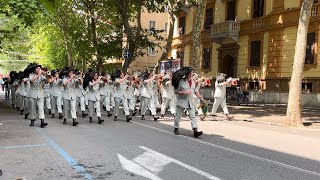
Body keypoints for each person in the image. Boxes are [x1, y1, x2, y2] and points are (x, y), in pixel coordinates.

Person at [172, 67, 205, 138]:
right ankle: (176, 128)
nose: (191, 74)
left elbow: (196, 91)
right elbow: (175, 91)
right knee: (178, 116)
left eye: (192, 73)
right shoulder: (181, 81)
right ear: (187, 74)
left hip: (190, 102)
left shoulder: (193, 82)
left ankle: (195, 131)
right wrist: (184, 92)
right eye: (190, 73)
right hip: (181, 101)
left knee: (193, 116)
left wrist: (201, 98)